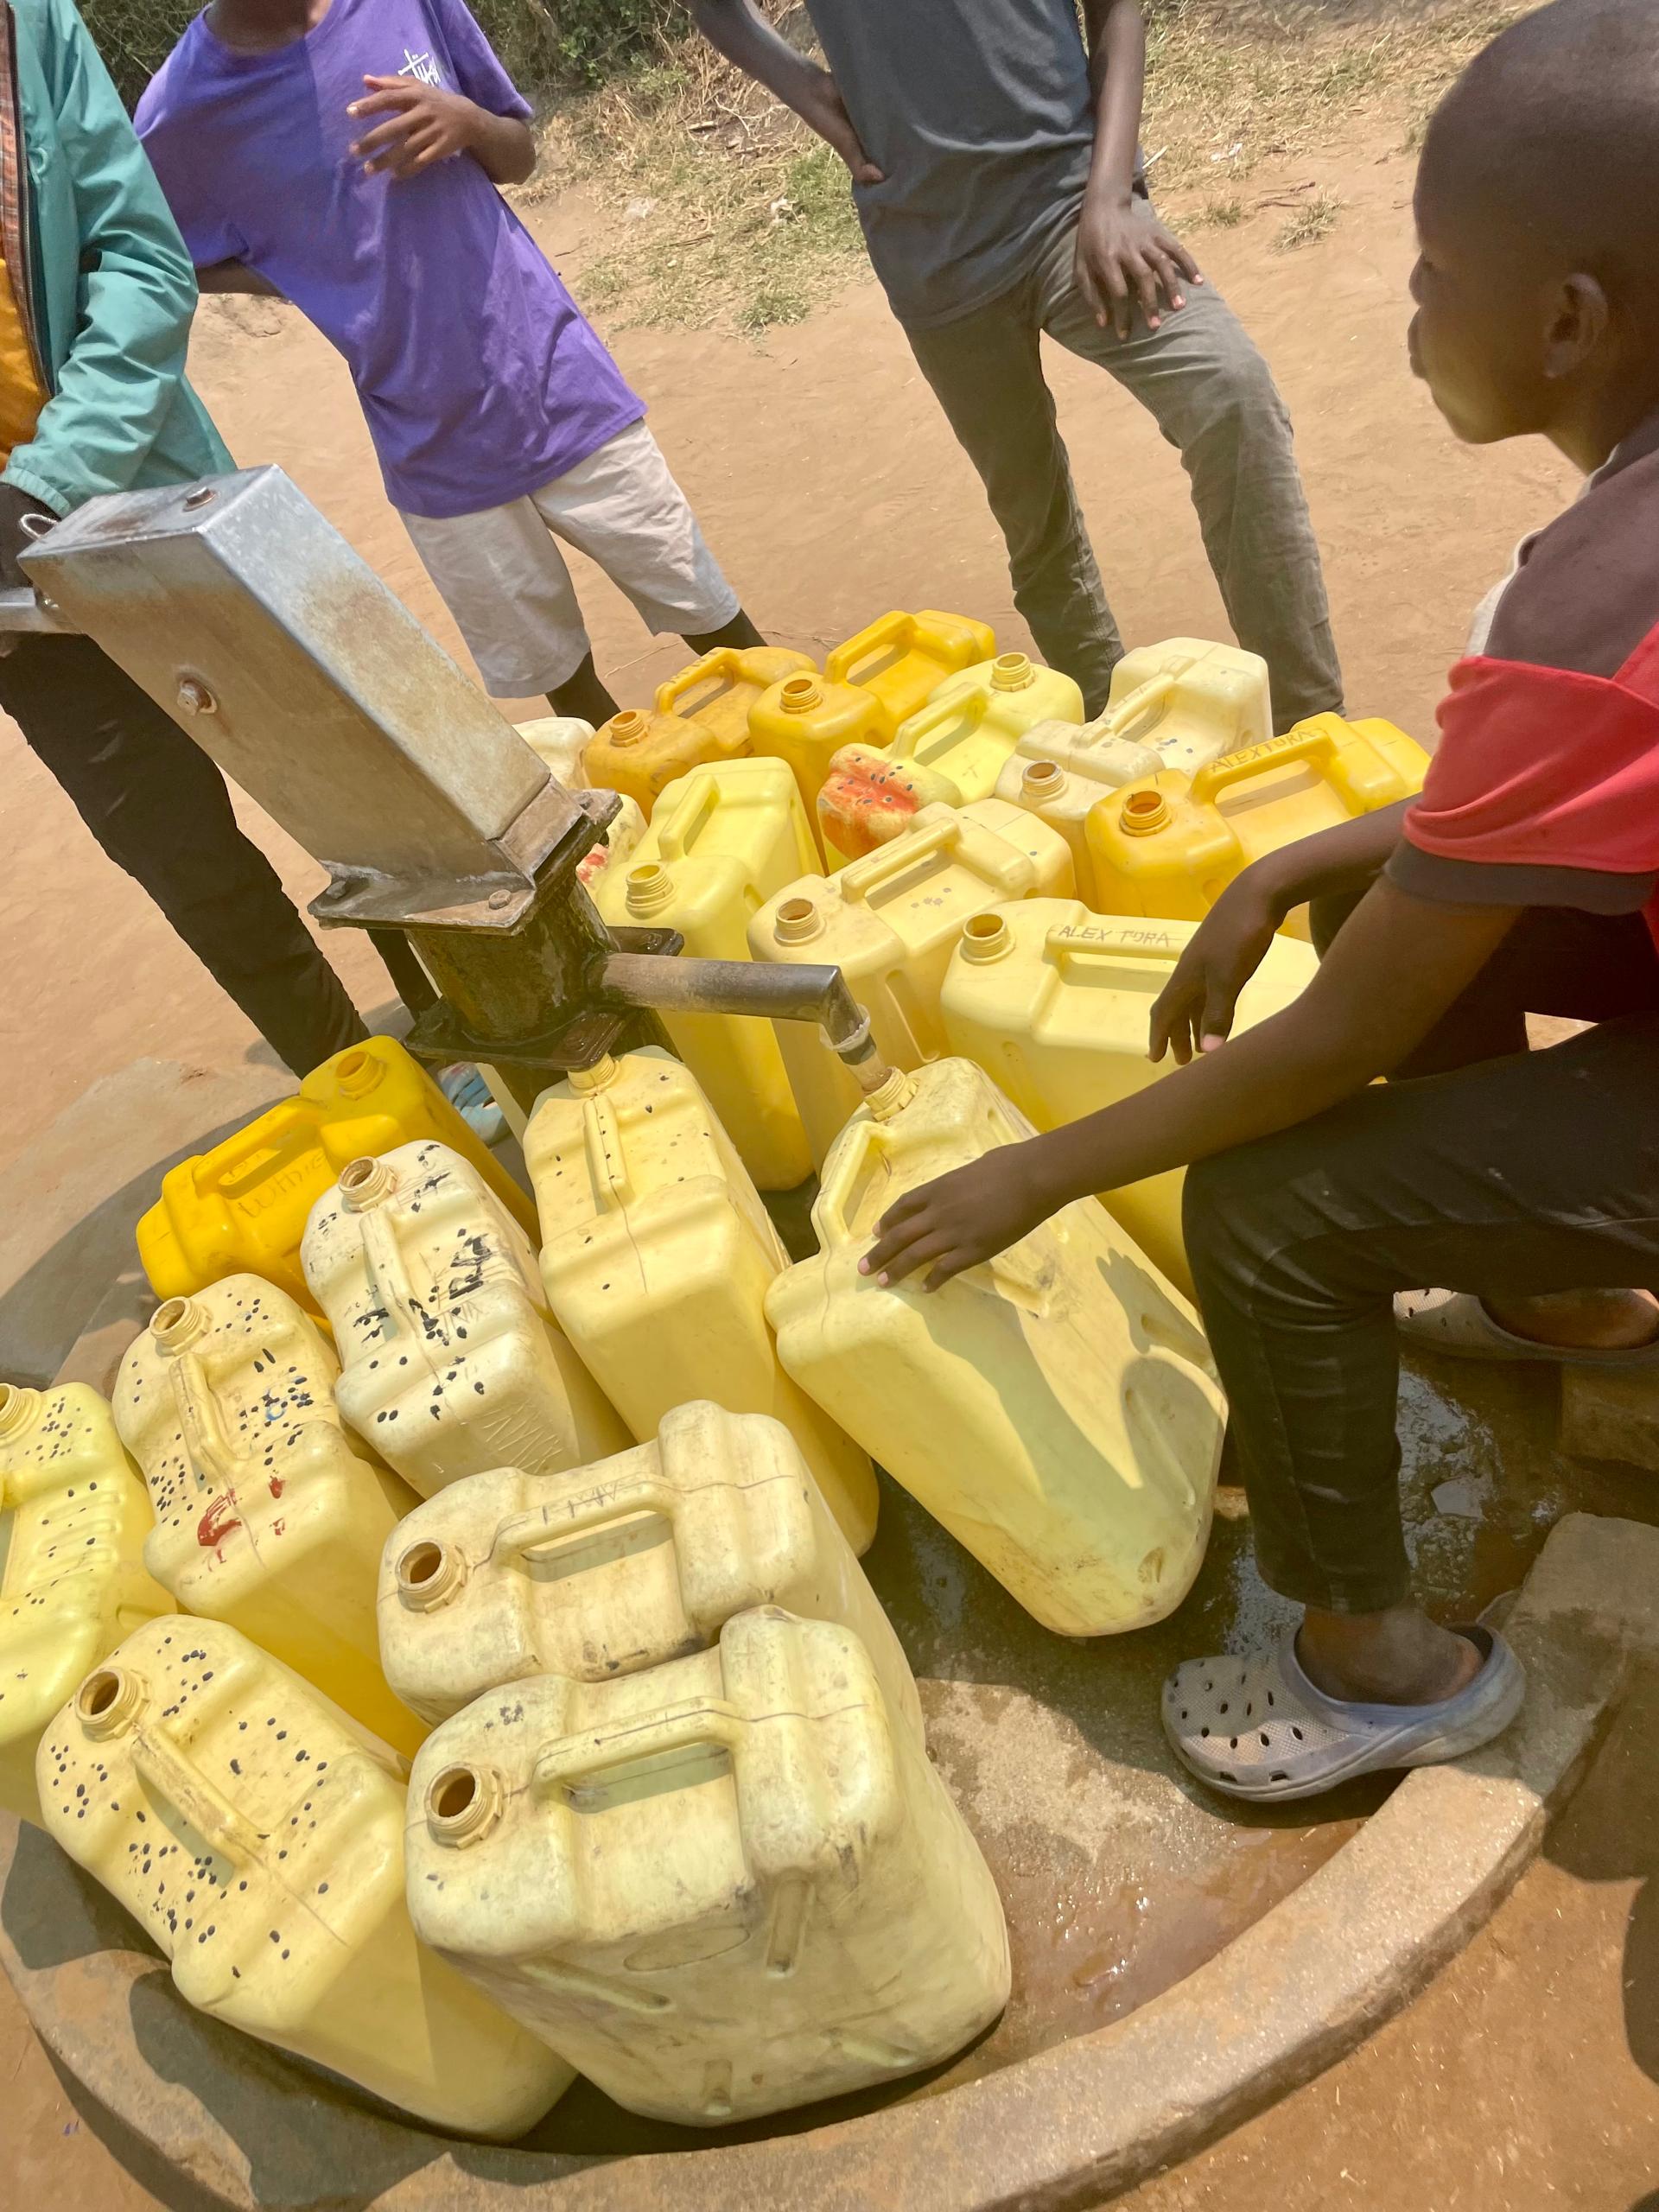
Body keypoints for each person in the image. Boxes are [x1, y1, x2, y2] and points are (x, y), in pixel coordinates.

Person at [859, 0, 1659, 1801]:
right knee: (1388, 902)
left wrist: (1035, 1170)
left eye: (1437, 269)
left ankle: (1377, 1663)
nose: (1410, 312)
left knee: (1269, 1200)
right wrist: (1300, 854)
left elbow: (1352, 1034)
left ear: (1570, 320)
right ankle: (1577, 1307)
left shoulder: (1597, 604)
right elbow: (1516, 821)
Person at [0, 0, 435, 1090]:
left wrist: (45, 484)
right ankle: (365, 1095)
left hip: (143, 498)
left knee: (345, 783)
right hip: (10, 608)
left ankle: (468, 1016)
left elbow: (144, 263)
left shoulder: (30, 27)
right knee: (187, 861)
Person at [692, 0, 1342, 730]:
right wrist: (806, 89)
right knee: (1033, 516)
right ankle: (1104, 730)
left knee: (1232, 393)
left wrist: (1112, 191)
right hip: (933, 249)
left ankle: (1311, 723)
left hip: (1078, 212)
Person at [136, 0, 766, 729]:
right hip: (434, 450)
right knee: (572, 697)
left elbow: (518, 154)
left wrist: (468, 122)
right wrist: (291, 265)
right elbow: (158, 254)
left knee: (722, 631)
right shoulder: (180, 113)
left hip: (560, 385)